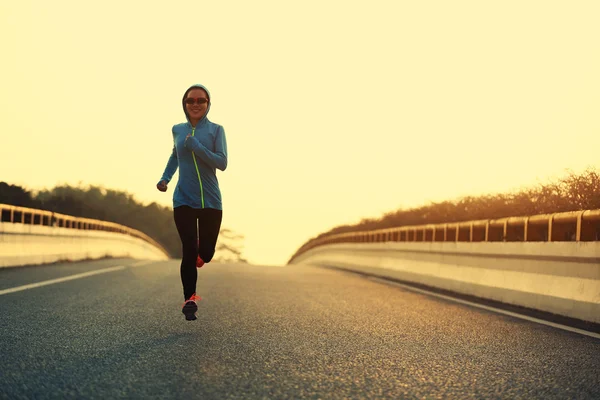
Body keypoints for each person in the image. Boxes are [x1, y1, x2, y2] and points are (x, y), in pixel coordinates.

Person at [157, 84, 228, 321]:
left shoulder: (217, 130)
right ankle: (190, 299)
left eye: (201, 100)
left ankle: (202, 250)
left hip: (211, 202)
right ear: (184, 104)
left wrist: (196, 146)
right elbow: (175, 156)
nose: (195, 105)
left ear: (208, 104)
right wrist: (165, 179)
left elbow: (222, 162)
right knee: (188, 251)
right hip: (183, 200)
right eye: (191, 101)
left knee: (205, 253)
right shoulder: (177, 130)